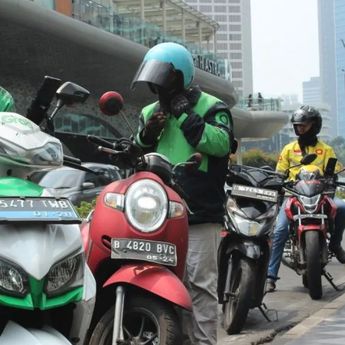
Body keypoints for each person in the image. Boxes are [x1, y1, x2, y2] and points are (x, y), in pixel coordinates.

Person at [131, 42, 235, 345]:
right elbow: (138, 150)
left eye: (162, 77)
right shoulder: (150, 111)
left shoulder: (212, 107)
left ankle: (203, 343)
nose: (157, 84)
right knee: (157, 279)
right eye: (153, 78)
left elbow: (220, 145)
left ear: (179, 76)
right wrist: (148, 132)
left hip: (198, 212)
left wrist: (185, 114)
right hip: (156, 212)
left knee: (199, 285)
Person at [266, 105, 345, 292]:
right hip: (294, 196)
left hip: (320, 195)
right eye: (298, 125)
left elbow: (334, 170)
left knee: (342, 207)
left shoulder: (326, 150)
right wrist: (277, 181)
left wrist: (332, 177)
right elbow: (279, 173)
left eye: (305, 124)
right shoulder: (288, 149)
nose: (300, 128)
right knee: (280, 230)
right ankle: (270, 276)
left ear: (315, 125)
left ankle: (335, 244)